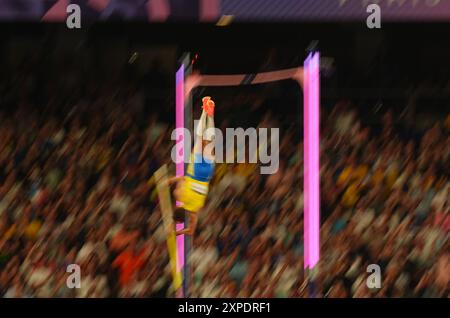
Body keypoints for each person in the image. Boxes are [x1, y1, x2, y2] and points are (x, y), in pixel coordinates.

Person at [167, 96, 216, 236]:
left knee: (210, 141)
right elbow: (181, 179)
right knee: (200, 138)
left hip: (206, 175)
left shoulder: (194, 212)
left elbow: (190, 232)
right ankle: (204, 111)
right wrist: (170, 180)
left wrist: (177, 231)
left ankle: (210, 114)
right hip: (194, 172)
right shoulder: (179, 196)